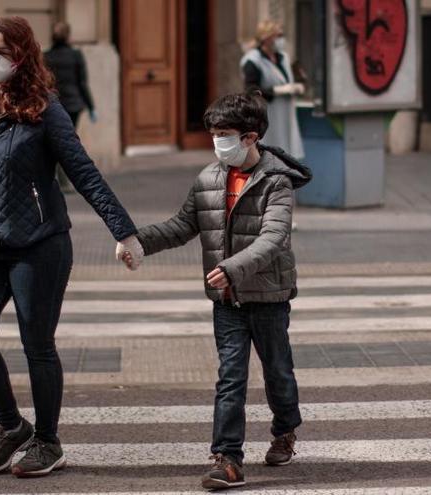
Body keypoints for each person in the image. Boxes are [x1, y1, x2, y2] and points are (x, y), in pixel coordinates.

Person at [0, 16, 143, 478]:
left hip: (39, 245)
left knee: (37, 344)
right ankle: (11, 428)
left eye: (3, 52)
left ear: (22, 58)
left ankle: (48, 441)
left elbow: (84, 172)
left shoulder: (45, 110)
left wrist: (124, 231)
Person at [120, 91, 311, 490]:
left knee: (278, 372)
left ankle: (285, 429)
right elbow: (181, 226)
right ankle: (227, 458)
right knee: (230, 377)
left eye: (224, 133)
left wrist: (231, 267)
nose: (217, 141)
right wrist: (139, 243)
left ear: (250, 136)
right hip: (227, 300)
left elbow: (273, 237)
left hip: (269, 296)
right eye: (213, 133)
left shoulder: (277, 183)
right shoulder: (208, 178)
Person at [44, 22, 96, 194]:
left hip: (53, 105)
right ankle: (65, 180)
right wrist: (91, 107)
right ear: (68, 36)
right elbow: (82, 83)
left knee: (55, 143)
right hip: (73, 105)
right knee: (66, 143)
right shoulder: (76, 55)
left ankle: (60, 179)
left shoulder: (46, 56)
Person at [241, 20, 305, 161]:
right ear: (267, 38)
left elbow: (291, 77)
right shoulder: (253, 61)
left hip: (286, 114)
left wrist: (297, 85)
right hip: (268, 115)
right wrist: (276, 91)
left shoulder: (283, 57)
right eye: (278, 35)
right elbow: (250, 89)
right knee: (270, 155)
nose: (281, 39)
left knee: (287, 155)